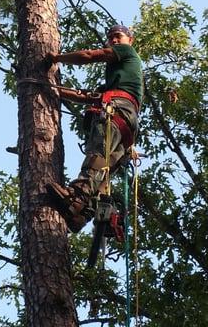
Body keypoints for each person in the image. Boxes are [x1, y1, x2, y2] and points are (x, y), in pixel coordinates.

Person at [46, 24, 143, 233]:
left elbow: (89, 55)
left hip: (117, 112)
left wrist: (56, 58)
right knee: (104, 174)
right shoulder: (116, 85)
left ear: (130, 40)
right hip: (127, 129)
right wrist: (55, 90)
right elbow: (86, 96)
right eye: (110, 39)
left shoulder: (127, 52)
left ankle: (77, 195)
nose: (114, 41)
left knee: (97, 154)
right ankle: (82, 213)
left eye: (118, 37)